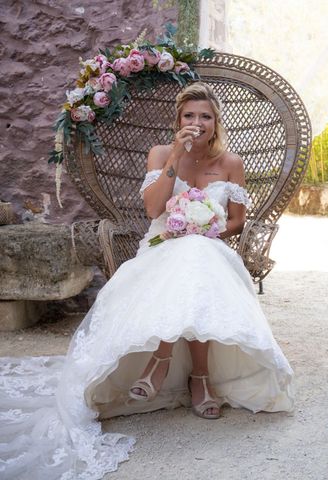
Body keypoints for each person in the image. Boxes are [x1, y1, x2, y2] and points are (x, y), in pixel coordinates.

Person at [0, 82, 294, 479]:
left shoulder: (230, 162)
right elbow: (154, 207)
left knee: (198, 258)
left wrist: (206, 228)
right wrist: (177, 154)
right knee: (189, 262)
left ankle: (161, 359)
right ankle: (199, 380)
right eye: (189, 116)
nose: (197, 122)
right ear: (177, 121)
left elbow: (238, 219)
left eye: (205, 116)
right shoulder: (160, 154)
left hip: (208, 249)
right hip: (160, 246)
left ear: (216, 122)